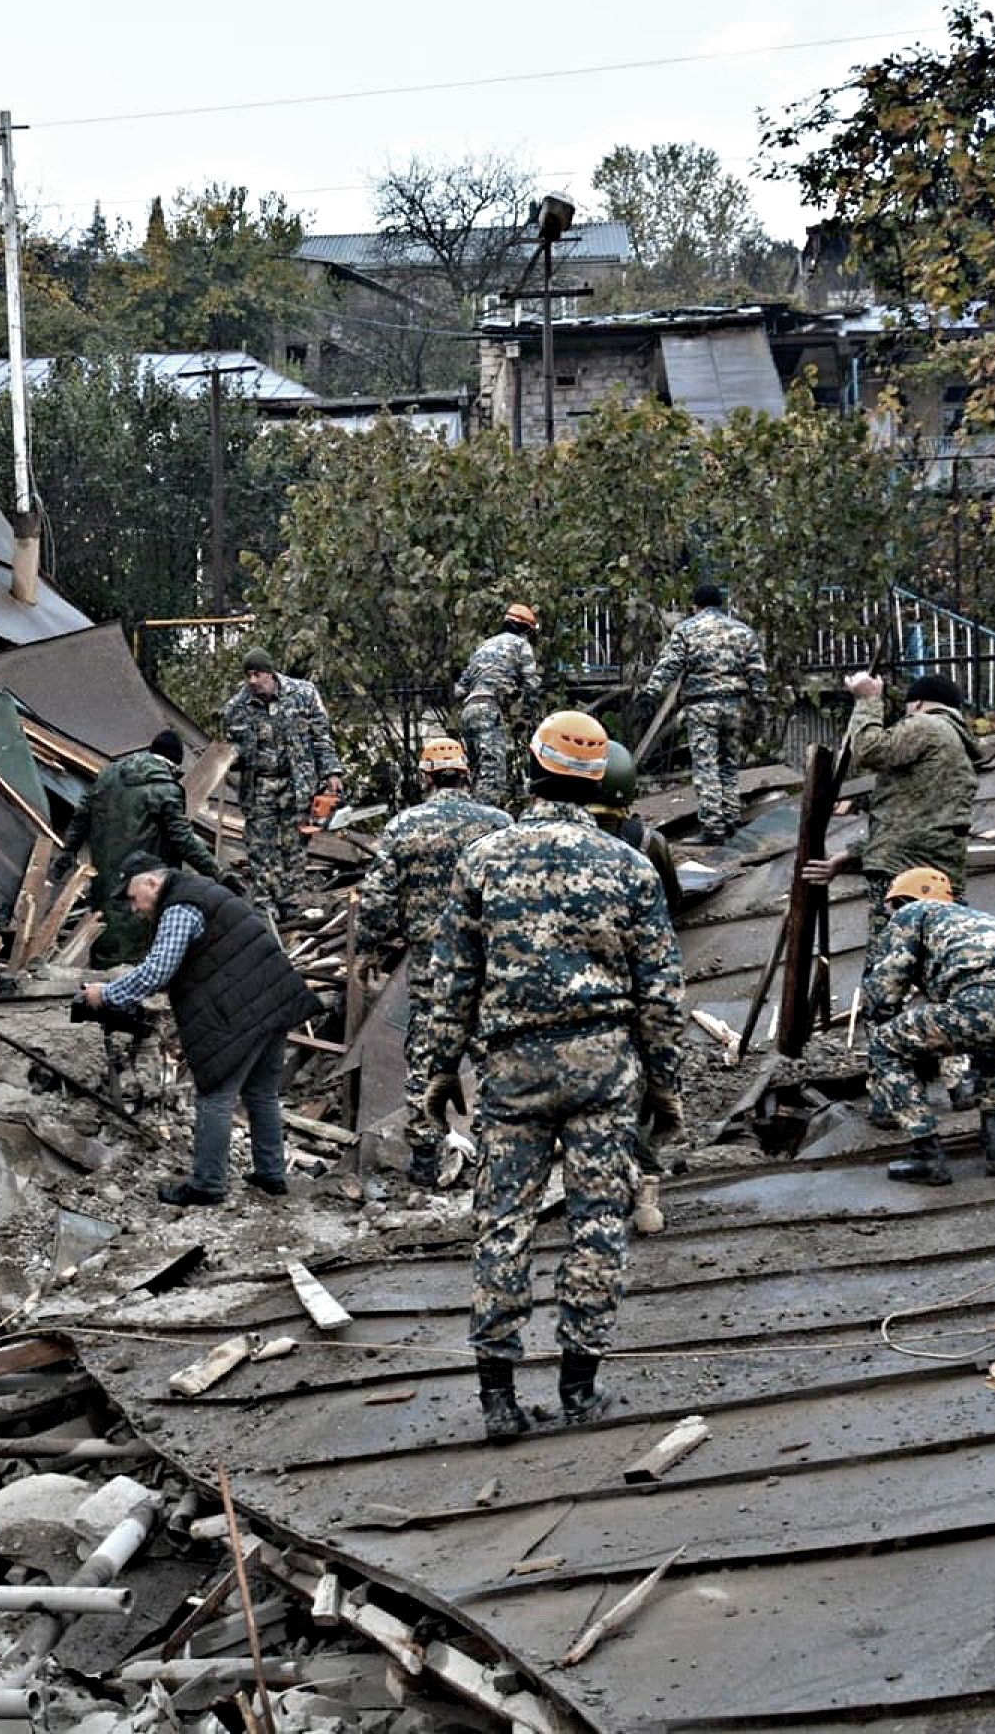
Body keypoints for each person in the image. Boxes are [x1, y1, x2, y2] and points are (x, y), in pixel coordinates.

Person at [412, 710, 693, 1441]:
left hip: (512, 1073)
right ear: (598, 777)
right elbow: (662, 992)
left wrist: (439, 1076)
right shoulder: (628, 866)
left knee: (502, 1225)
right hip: (604, 1071)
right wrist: (665, 1084)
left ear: (530, 769)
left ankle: (498, 1400)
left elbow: (452, 984)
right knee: (598, 1224)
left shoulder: (484, 860)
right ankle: (580, 1389)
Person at [84, 857, 318, 1208]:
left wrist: (106, 994)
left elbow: (157, 971)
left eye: (133, 898)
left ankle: (208, 1184)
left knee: (214, 1095)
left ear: (150, 882)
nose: (134, 909)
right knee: (261, 1092)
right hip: (273, 999)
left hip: (241, 1010)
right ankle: (271, 1174)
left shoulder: (180, 907)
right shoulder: (204, 892)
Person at [356, 735, 512, 1181]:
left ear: (426, 777)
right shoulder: (498, 823)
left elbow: (379, 897)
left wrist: (369, 947)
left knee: (427, 1056)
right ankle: (492, 1152)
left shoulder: (404, 826)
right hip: (488, 959)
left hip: (431, 962)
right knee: (491, 1053)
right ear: (466, 774)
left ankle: (426, 1158)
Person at [862, 868, 995, 1185]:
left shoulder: (912, 912)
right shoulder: (985, 922)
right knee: (989, 1042)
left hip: (981, 1001)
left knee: (886, 1045)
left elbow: (884, 993)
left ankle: (926, 1155)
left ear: (901, 900)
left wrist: (883, 1023)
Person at [588, 740, 688, 1237]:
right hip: (640, 984)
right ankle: (646, 1186)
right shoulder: (648, 843)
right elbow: (671, 909)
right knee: (646, 1083)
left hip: (581, 991)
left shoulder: (548, 842)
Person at [843, 670, 981, 928]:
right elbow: (916, 816)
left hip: (904, 874)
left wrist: (868, 701)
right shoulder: (957, 743)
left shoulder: (926, 725)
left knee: (892, 955)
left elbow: (868, 751)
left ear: (917, 704)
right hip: (939, 872)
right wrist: (855, 854)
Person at [72, 728, 218, 968]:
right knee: (138, 958)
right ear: (173, 763)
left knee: (104, 947)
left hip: (104, 880)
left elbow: (81, 817)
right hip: (145, 885)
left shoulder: (107, 776)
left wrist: (68, 851)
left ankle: (100, 994)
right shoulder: (166, 790)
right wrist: (217, 872)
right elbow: (183, 840)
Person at [220, 648, 342, 923]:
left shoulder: (303, 694)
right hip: (260, 785)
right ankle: (266, 905)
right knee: (261, 846)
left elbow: (321, 738)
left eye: (258, 674)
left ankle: (291, 902)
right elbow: (232, 751)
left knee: (294, 845)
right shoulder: (236, 709)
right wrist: (231, 757)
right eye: (248, 675)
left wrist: (332, 773)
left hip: (297, 784)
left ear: (271, 673)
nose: (253, 680)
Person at [640, 585, 769, 843]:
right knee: (728, 764)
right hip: (734, 706)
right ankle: (732, 821)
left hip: (702, 706)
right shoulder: (742, 631)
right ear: (720, 603)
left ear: (695, 605)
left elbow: (670, 663)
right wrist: (760, 700)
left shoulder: (687, 629)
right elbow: (756, 669)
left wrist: (650, 693)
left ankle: (712, 828)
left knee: (706, 765)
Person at [452, 603, 544, 809]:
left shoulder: (484, 647)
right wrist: (527, 717)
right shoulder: (521, 645)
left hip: (469, 711)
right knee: (493, 777)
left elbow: (459, 690)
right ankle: (485, 822)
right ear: (527, 630)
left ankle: (469, 813)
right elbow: (532, 684)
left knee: (477, 772)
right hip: (489, 710)